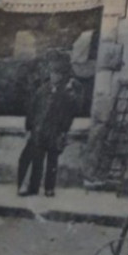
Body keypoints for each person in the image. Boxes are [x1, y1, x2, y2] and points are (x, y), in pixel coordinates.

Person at [17, 51, 81, 198]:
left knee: (52, 161)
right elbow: (32, 110)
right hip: (40, 131)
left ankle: (49, 188)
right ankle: (33, 188)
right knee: (37, 160)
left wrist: (64, 131)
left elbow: (72, 112)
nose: (55, 76)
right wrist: (29, 128)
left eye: (58, 74)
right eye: (53, 73)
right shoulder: (42, 90)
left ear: (63, 76)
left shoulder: (66, 93)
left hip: (55, 132)